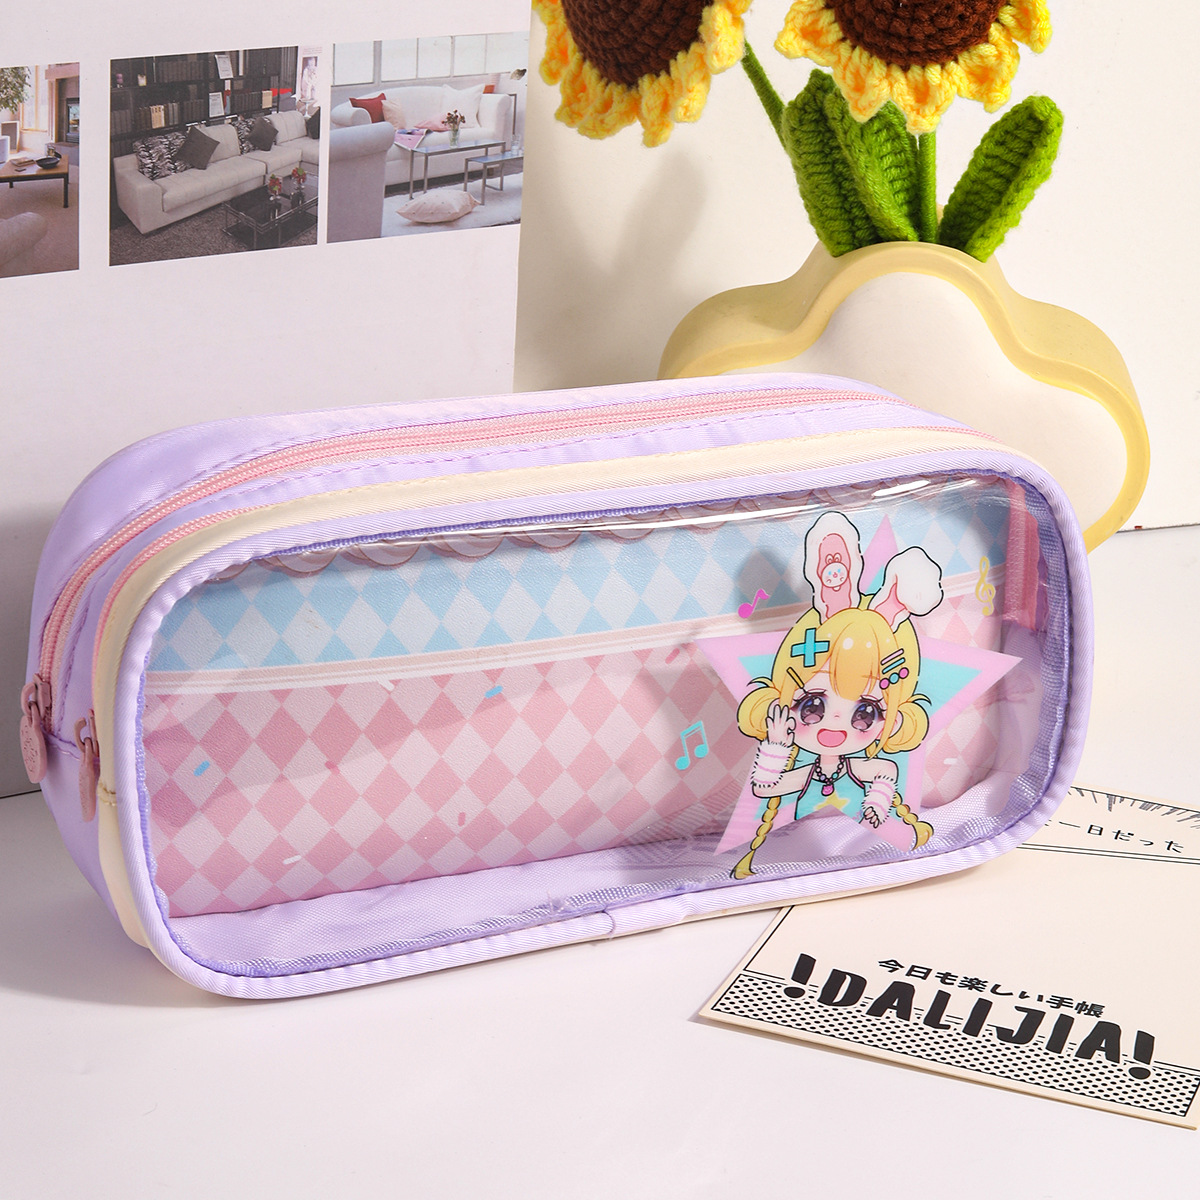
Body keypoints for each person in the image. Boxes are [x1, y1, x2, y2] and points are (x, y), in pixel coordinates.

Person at [732, 510, 942, 878]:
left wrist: (877, 804)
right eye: (812, 706)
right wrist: (776, 745)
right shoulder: (808, 768)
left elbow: (886, 772)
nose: (834, 726)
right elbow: (765, 787)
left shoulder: (862, 764)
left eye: (865, 713)